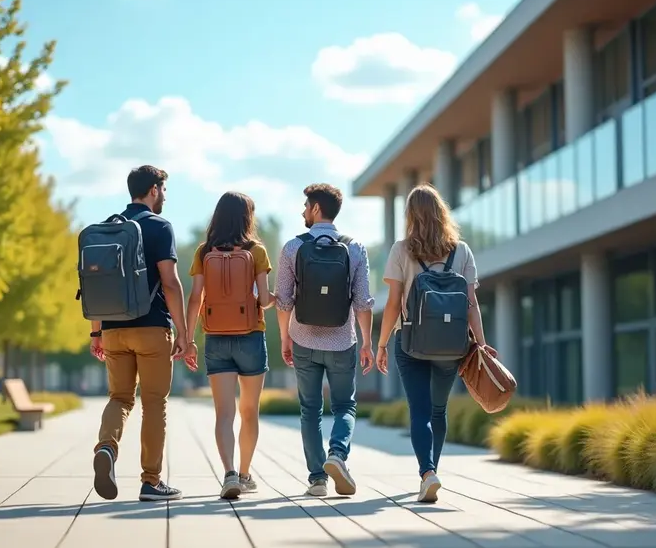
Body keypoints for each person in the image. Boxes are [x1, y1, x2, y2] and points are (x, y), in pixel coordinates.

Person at [375, 183, 496, 503]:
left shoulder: (401, 249)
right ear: (442, 213)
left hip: (411, 341)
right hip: (452, 345)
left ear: (411, 216)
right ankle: (432, 472)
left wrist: (382, 343)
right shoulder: (462, 251)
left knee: (420, 410)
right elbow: (471, 303)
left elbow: (393, 303)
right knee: (439, 410)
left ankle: (427, 473)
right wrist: (481, 345)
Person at [88, 165, 197, 502]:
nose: (164, 196)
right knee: (154, 404)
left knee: (119, 398)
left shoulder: (106, 228)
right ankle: (151, 481)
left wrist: (96, 333)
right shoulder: (160, 226)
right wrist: (184, 334)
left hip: (113, 331)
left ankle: (107, 447)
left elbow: (92, 284)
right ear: (153, 189)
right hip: (152, 328)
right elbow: (171, 282)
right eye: (163, 190)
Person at [274, 183, 375, 497]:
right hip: (342, 340)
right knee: (345, 405)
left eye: (306, 206)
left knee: (310, 409)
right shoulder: (354, 247)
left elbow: (283, 302)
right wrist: (368, 343)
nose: (303, 211)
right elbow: (363, 303)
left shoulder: (293, 247)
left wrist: (285, 339)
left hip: (303, 338)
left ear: (316, 208)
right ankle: (338, 455)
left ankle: (317, 479)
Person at [182, 191, 276, 500]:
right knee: (249, 411)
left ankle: (229, 474)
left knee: (224, 413)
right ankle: (246, 474)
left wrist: (187, 338)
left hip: (215, 337)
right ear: (248, 217)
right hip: (251, 335)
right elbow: (263, 300)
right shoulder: (257, 251)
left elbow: (196, 297)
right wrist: (278, 299)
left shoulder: (203, 251)